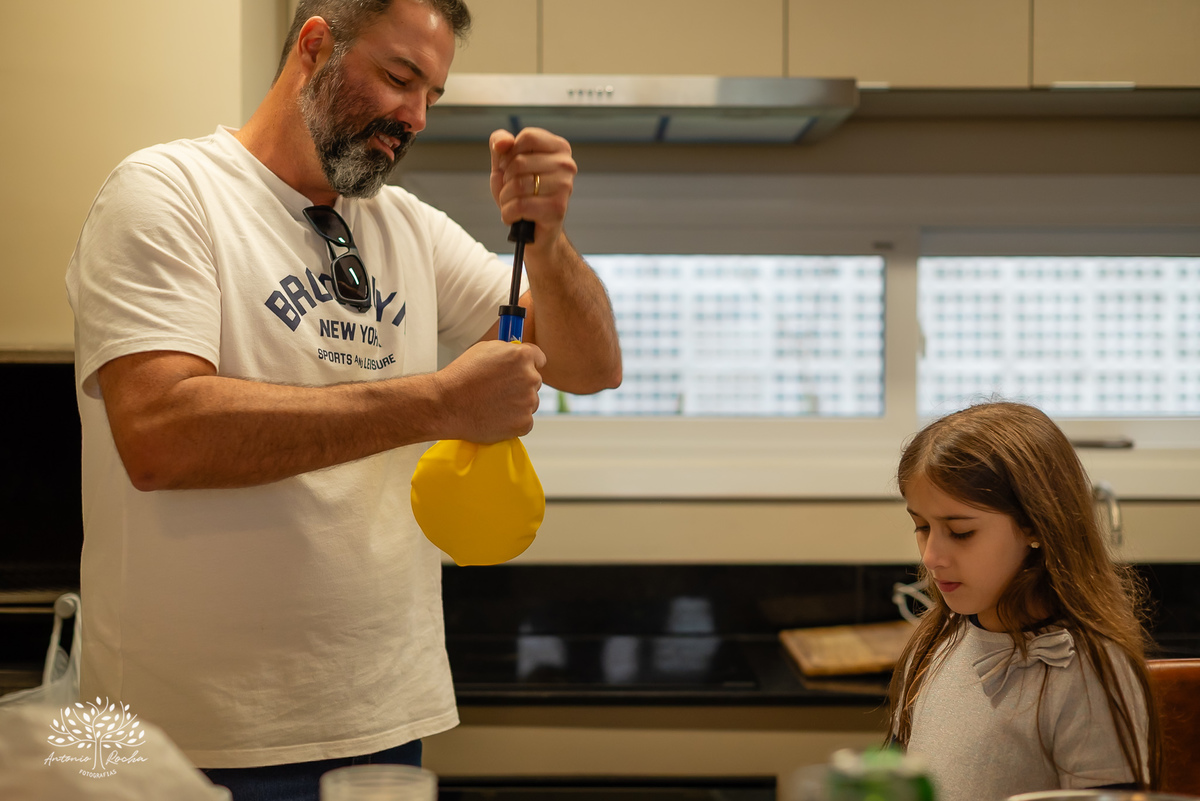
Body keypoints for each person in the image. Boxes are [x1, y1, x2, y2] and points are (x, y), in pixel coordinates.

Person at [64, 0, 621, 797]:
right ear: (316, 45)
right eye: (400, 78)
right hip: (186, 739)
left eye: (433, 93)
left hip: (381, 721)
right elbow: (160, 435)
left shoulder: (407, 228)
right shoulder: (165, 193)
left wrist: (552, 238)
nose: (417, 117)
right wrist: (438, 402)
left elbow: (592, 364)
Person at [887, 401, 1161, 801]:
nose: (930, 557)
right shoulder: (936, 644)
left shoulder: (1083, 672)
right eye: (922, 527)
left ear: (1035, 524)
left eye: (960, 532)